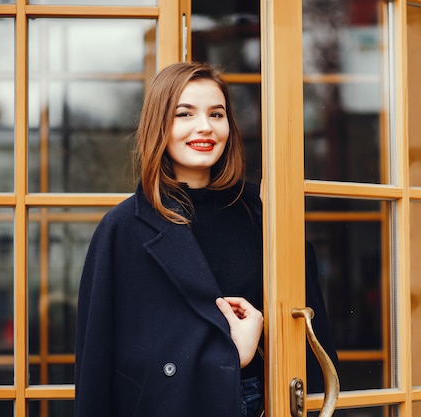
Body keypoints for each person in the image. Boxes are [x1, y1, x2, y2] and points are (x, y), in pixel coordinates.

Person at [75, 61, 338, 417]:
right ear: (159, 126)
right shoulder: (121, 228)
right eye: (185, 114)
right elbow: (97, 367)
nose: (205, 127)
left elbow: (308, 327)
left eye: (217, 114)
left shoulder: (260, 211)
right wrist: (231, 355)